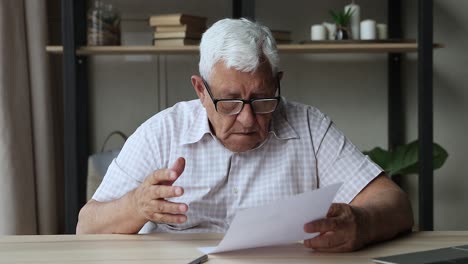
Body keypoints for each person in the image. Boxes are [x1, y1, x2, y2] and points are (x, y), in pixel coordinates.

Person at [76, 18, 413, 252]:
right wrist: (137, 204)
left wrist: (362, 222)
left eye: (263, 99)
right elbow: (87, 227)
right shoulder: (161, 133)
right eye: (230, 101)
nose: (248, 118)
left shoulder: (309, 126)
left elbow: (395, 204)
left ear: (277, 82)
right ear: (201, 90)